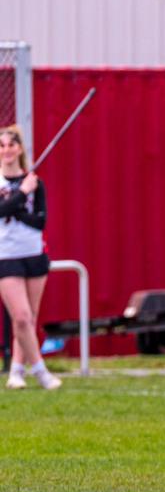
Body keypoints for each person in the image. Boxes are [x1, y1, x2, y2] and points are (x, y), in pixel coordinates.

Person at [0, 125, 61, 391]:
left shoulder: (36, 182)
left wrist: (19, 204)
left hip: (34, 254)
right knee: (21, 316)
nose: (6, 150)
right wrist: (21, 194)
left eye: (11, 144)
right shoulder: (15, 185)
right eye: (1, 146)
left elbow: (40, 222)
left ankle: (16, 371)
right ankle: (41, 371)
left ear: (20, 148)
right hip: (6, 256)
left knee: (29, 318)